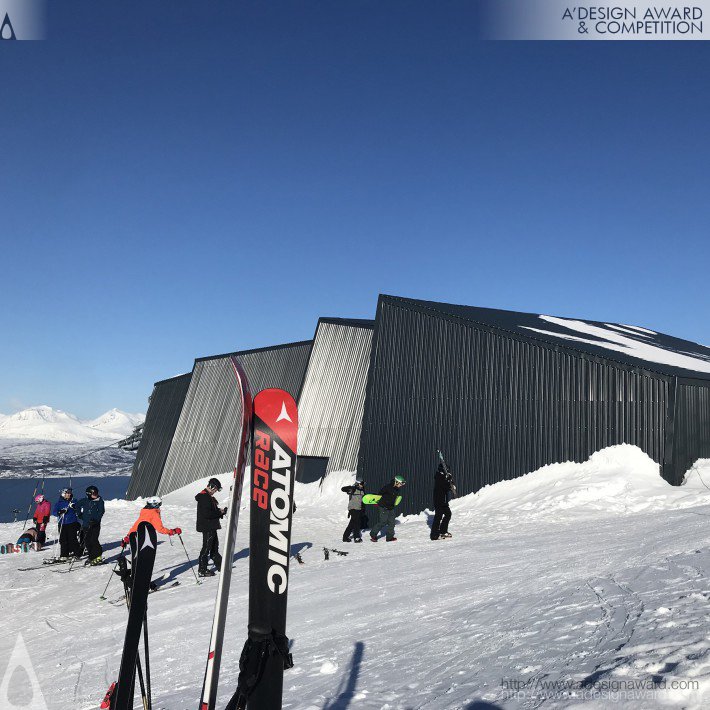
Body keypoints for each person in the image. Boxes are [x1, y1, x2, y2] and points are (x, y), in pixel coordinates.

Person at [195, 477, 226, 577]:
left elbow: (211, 511)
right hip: (207, 526)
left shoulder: (208, 496)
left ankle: (222, 566)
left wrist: (220, 512)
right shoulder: (204, 497)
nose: (215, 492)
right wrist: (219, 512)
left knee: (214, 549)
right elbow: (207, 514)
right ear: (212, 487)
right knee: (206, 548)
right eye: (215, 490)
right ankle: (202, 570)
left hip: (211, 526)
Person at [75, 485, 105, 565]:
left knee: (94, 540)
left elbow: (101, 512)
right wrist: (79, 514)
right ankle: (92, 556)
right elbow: (77, 505)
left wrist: (96, 520)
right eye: (94, 493)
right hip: (86, 525)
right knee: (87, 541)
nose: (96, 495)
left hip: (95, 525)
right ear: (88, 494)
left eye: (96, 493)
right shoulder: (85, 500)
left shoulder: (99, 501)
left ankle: (98, 556)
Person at [370, 475, 406, 542]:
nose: (401, 485)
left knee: (392, 523)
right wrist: (376, 501)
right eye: (401, 483)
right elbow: (379, 494)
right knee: (383, 522)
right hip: (383, 507)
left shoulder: (397, 489)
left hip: (391, 507)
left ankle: (389, 537)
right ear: (396, 482)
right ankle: (373, 535)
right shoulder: (387, 487)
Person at [53, 488, 82, 560]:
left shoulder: (73, 501)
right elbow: (54, 512)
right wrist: (59, 512)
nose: (69, 494)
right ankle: (64, 555)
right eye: (67, 493)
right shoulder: (59, 503)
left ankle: (77, 553)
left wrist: (74, 507)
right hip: (62, 523)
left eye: (70, 493)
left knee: (72, 538)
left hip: (72, 522)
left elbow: (79, 509)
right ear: (63, 494)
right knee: (63, 539)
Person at [431, 463, 455, 540]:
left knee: (448, 514)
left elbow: (450, 486)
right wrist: (448, 480)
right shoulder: (439, 476)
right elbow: (445, 486)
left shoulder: (444, 477)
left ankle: (443, 531)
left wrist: (450, 480)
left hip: (444, 501)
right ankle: (434, 535)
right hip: (438, 500)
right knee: (438, 516)